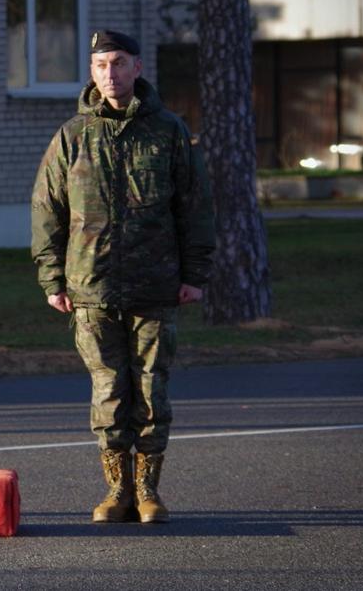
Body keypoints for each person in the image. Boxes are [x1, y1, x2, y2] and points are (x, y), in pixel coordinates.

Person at [31, 30, 215, 524]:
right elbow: (47, 211)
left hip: (156, 286)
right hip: (91, 288)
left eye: (118, 63)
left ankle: (149, 490)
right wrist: (53, 279)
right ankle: (117, 491)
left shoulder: (169, 131)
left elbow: (194, 207)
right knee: (109, 392)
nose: (109, 74)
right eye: (100, 65)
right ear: (91, 73)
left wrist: (194, 273)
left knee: (152, 391)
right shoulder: (73, 136)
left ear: (137, 68)